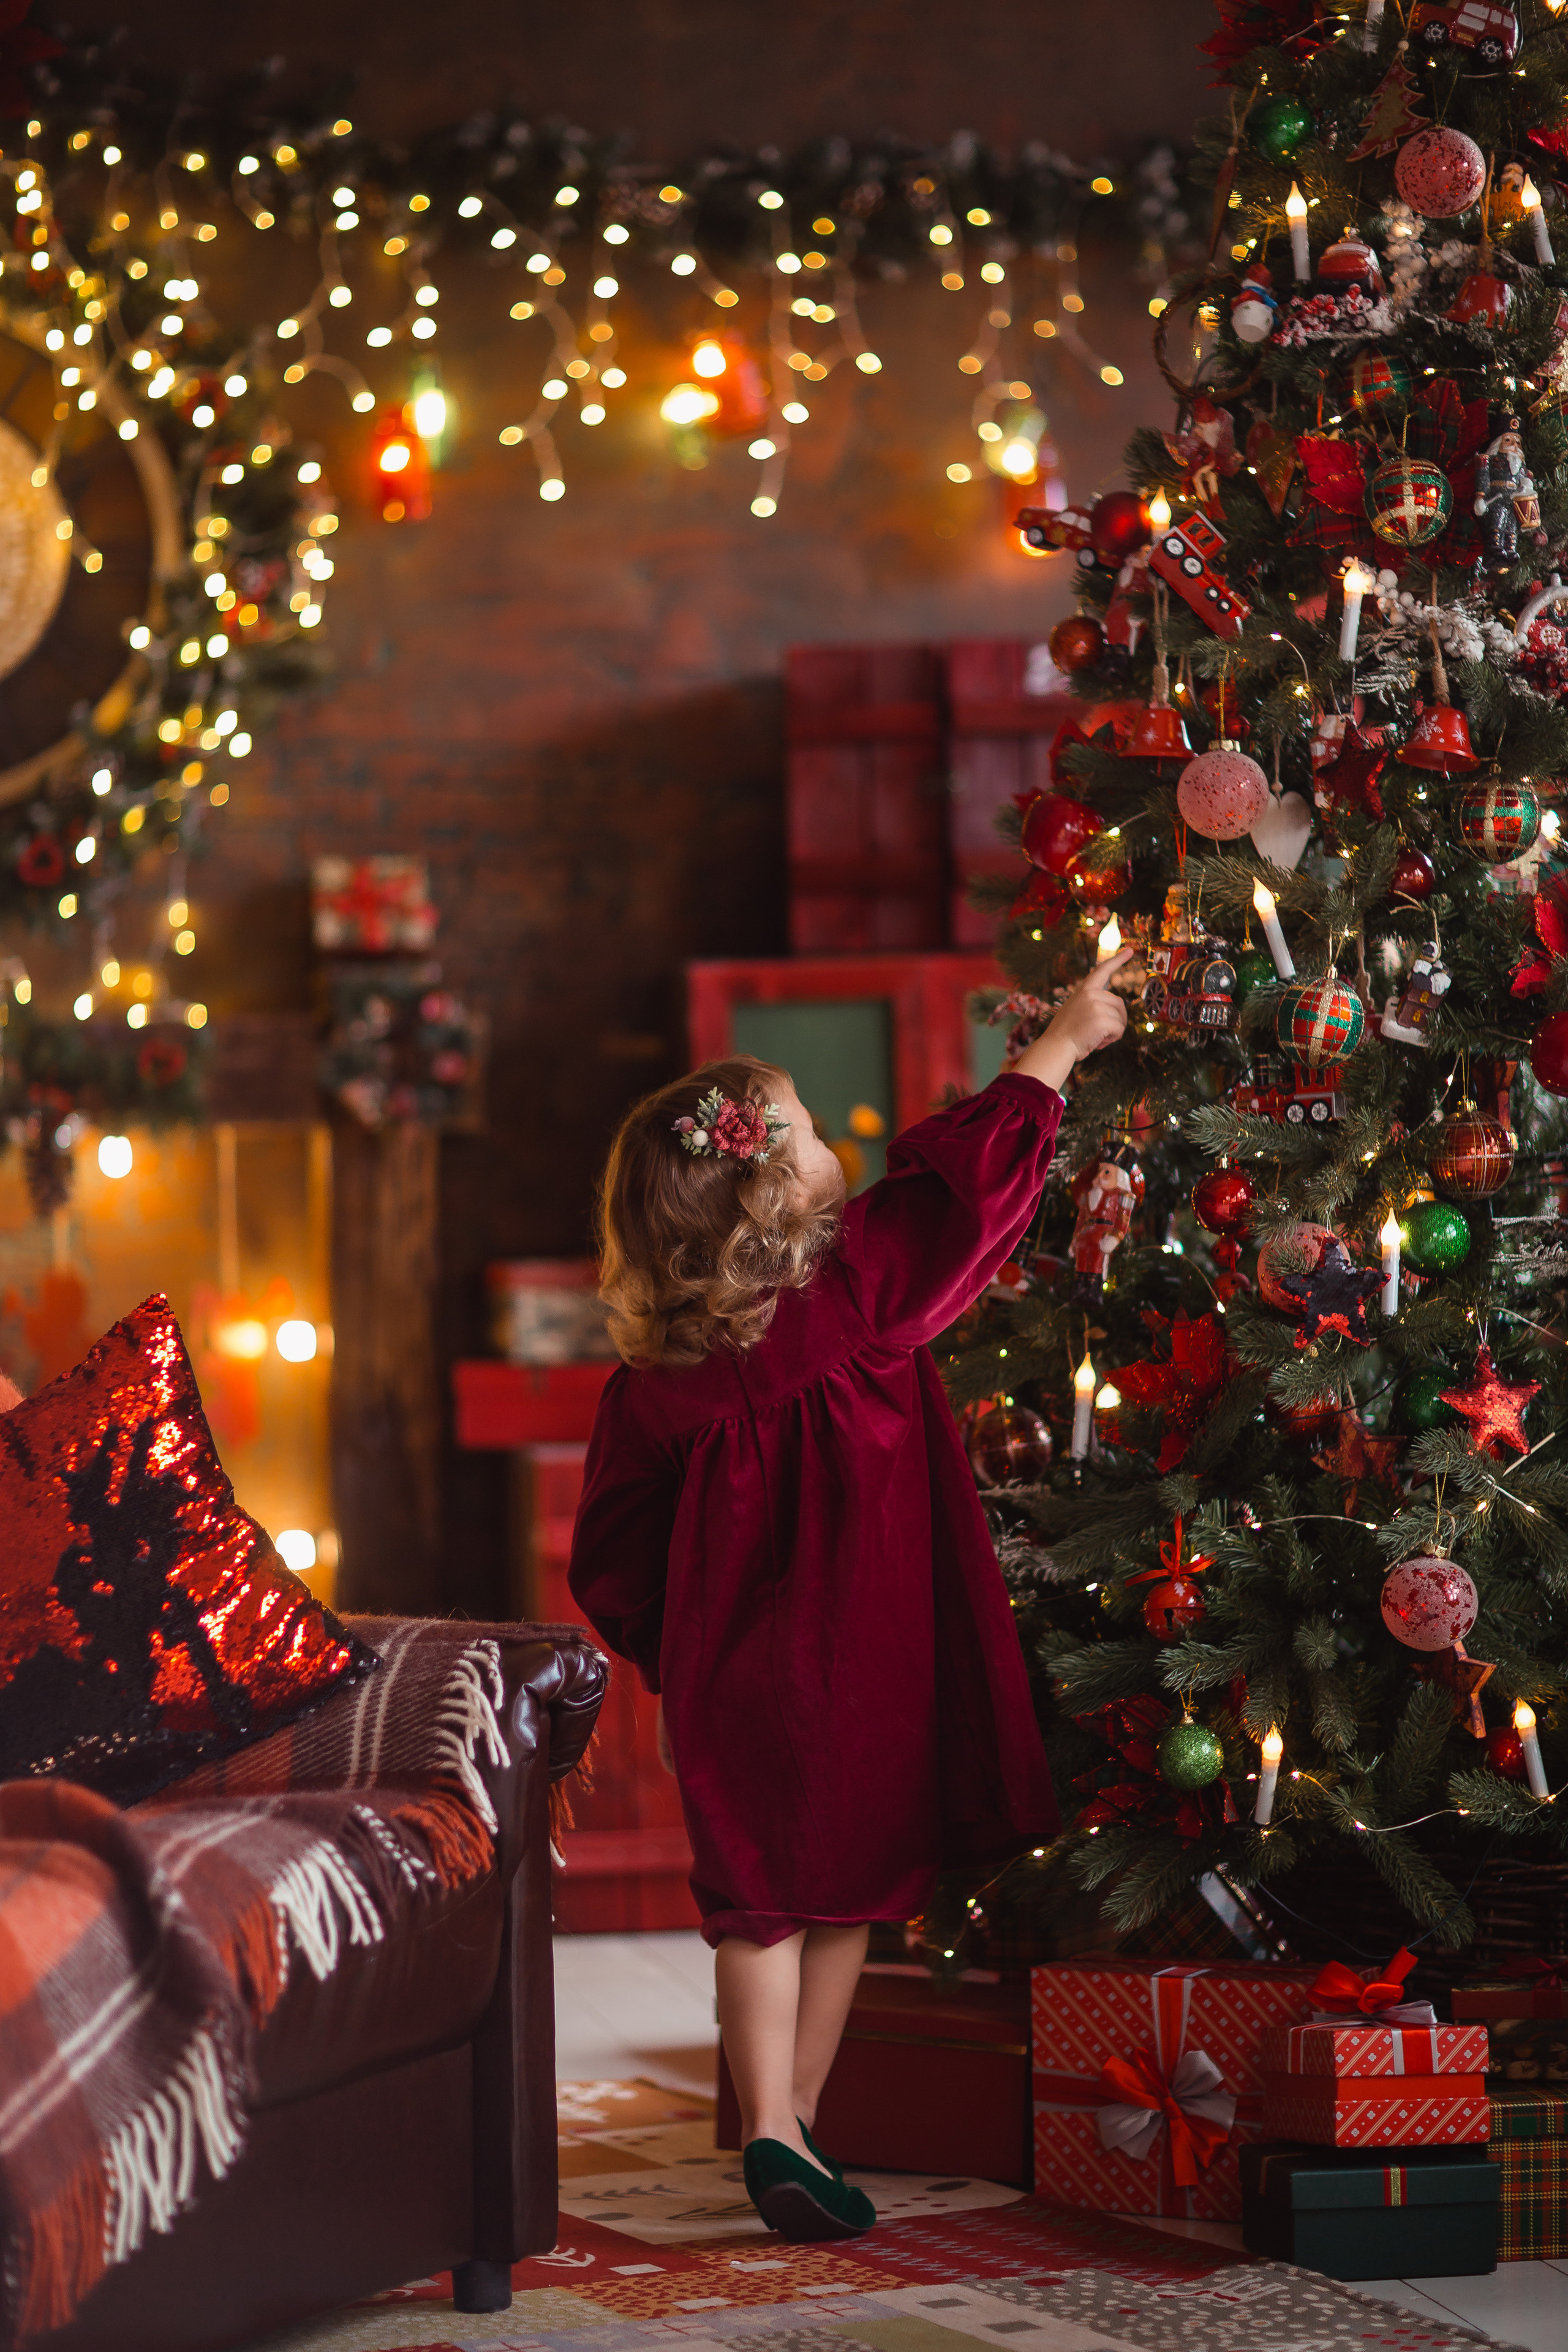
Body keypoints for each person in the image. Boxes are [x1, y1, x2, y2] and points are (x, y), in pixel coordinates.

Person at [568, 949, 1135, 2242]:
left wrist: (677, 1656)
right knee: (849, 1897)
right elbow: (964, 1194)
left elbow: (610, 1557)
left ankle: (789, 2129)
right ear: (774, 1190)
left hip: (734, 1681)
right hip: (871, 1662)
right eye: (814, 1132)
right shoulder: (859, 1289)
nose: (836, 1147)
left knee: (764, 1901)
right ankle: (786, 2126)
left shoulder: (652, 1392)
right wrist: (1057, 1045)